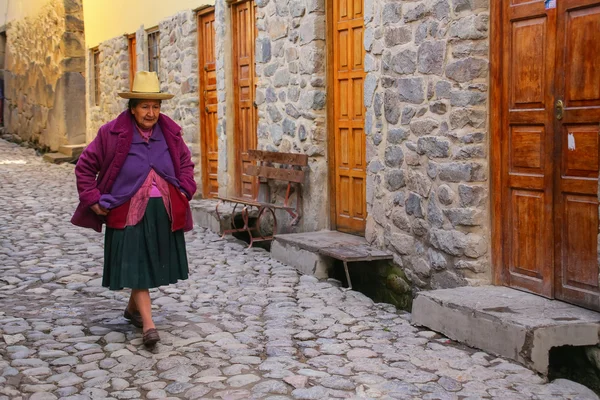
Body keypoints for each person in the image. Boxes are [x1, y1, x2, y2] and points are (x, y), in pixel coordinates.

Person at [71, 71, 196, 346]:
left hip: (162, 210)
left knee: (146, 263)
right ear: (132, 108)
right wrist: (92, 199)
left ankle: (133, 310)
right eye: (144, 106)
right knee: (139, 262)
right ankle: (149, 326)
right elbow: (85, 167)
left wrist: (186, 189)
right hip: (126, 210)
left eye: (155, 106)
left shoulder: (170, 132)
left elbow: (186, 163)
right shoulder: (111, 133)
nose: (151, 113)